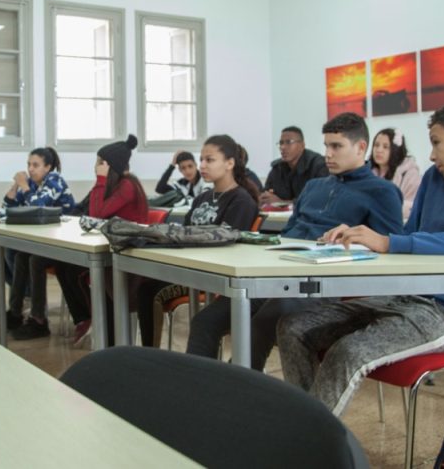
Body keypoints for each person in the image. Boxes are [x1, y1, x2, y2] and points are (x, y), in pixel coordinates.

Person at [277, 102, 444, 414]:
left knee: (348, 351)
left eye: (436, 142)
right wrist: (356, 242)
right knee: (293, 327)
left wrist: (387, 242)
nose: (432, 155)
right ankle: (304, 425)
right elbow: (408, 238)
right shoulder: (434, 179)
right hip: (402, 297)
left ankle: (307, 438)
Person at [185, 113, 404, 369]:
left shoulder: (383, 192)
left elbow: (388, 253)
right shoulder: (314, 187)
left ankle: (233, 385)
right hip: (277, 273)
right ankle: (202, 385)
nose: (328, 154)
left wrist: (352, 242)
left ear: (361, 147)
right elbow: (288, 233)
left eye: (336, 146)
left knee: (260, 324)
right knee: (206, 321)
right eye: (326, 146)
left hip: (324, 285)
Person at [135, 135, 260, 347]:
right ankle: (146, 352)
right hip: (188, 266)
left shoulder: (241, 200)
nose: (202, 165)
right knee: (142, 284)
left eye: (209, 160)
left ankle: (149, 352)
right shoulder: (203, 197)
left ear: (230, 163)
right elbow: (185, 231)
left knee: (150, 292)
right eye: (201, 159)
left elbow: (228, 244)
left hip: (212, 273)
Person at [55, 134, 148, 345]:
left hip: (129, 255)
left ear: (109, 165)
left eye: (99, 162)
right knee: (64, 266)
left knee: (74, 271)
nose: (96, 166)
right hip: (112, 249)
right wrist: (101, 183)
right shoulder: (114, 184)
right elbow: (91, 211)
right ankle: (88, 319)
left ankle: (102, 328)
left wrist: (100, 180)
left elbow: (97, 214)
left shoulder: (128, 185)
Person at [2, 147, 76, 340]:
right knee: (19, 255)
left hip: (67, 241)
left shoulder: (54, 180)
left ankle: (39, 320)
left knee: (35, 260)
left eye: (35, 165)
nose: (30, 169)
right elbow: (8, 207)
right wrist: (15, 186)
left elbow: (39, 206)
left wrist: (24, 186)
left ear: (48, 167)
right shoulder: (32, 184)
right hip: (46, 239)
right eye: (29, 164)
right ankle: (15, 312)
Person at [259, 126, 328, 205]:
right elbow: (266, 193)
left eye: (288, 142)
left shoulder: (318, 166)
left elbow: (319, 200)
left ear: (302, 145)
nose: (282, 147)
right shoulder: (277, 168)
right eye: (281, 143)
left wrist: (282, 203)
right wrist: (263, 198)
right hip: (279, 213)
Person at [368, 127, 421, 220]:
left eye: (385, 147)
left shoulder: (410, 174)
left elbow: (412, 207)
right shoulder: (368, 171)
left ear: (395, 150)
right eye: (376, 145)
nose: (379, 150)